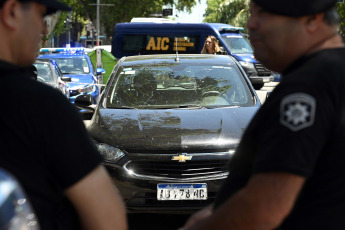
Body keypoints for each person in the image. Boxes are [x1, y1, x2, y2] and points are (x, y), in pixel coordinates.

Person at [181, 0, 345, 229]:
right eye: (251, 14)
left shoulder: (308, 85)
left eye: (263, 14)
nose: (251, 24)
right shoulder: (330, 72)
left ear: (312, 19)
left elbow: (264, 208)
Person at [0, 0, 127, 230]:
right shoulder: (40, 106)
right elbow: (109, 221)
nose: (44, 30)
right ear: (11, 12)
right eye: (42, 15)